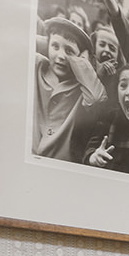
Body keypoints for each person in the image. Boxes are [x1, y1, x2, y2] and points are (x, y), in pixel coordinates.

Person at [31, 11, 105, 160]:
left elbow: (97, 98)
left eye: (69, 51)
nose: (61, 56)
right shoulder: (37, 65)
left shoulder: (81, 87)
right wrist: (46, 42)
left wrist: (82, 61)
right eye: (55, 46)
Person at [72, 62, 129, 174]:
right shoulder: (109, 119)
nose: (128, 92)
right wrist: (93, 157)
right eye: (123, 86)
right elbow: (90, 149)